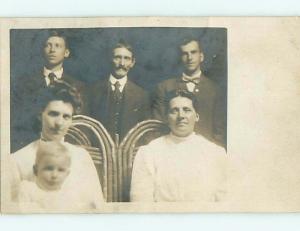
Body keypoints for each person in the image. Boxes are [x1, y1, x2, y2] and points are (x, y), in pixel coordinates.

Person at [10, 82, 104, 211]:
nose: (59, 123)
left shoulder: (82, 156)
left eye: (66, 117)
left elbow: (97, 205)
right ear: (40, 115)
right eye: (53, 114)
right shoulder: (18, 159)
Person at [130, 90, 227, 202]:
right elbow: (140, 202)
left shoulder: (215, 153)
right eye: (174, 111)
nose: (181, 116)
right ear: (166, 117)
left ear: (197, 116)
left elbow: (224, 202)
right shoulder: (149, 153)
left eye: (187, 110)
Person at [11, 30, 86, 152]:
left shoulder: (78, 86)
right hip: (30, 147)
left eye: (58, 46)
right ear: (43, 50)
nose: (52, 50)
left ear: (66, 52)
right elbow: (18, 123)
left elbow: (80, 126)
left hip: (65, 150)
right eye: (48, 45)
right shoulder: (24, 84)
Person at [152, 38, 226, 147]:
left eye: (193, 52)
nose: (190, 58)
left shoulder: (214, 90)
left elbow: (219, 132)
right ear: (180, 58)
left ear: (201, 56)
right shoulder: (165, 87)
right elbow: (157, 127)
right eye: (185, 54)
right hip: (171, 150)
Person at [88, 40, 150, 143]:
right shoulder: (93, 91)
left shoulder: (142, 95)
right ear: (110, 59)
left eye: (126, 58)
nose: (122, 63)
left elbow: (145, 132)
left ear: (132, 62)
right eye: (117, 57)